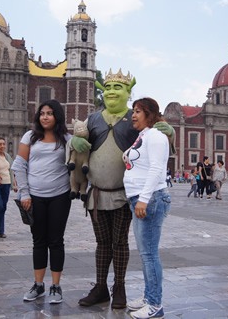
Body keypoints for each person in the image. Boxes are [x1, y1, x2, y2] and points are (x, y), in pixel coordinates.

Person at [73, 69, 176, 310]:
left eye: (117, 88)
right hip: (96, 195)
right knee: (102, 242)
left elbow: (160, 141)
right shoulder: (93, 118)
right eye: (107, 88)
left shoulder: (135, 119)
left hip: (124, 195)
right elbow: (78, 139)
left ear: (128, 92)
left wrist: (168, 132)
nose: (110, 92)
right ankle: (100, 286)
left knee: (120, 242)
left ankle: (119, 286)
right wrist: (73, 141)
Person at [12, 100, 72, 304]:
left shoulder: (67, 139)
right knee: (38, 241)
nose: (45, 117)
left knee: (56, 241)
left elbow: (77, 162)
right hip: (34, 197)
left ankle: (56, 286)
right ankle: (38, 285)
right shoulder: (30, 137)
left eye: (50, 113)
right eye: (42, 113)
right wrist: (24, 193)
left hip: (60, 196)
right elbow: (19, 165)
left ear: (58, 116)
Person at [123, 97, 170, 319]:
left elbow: (156, 169)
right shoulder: (143, 136)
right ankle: (148, 296)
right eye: (133, 110)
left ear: (149, 114)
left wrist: (143, 199)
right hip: (140, 198)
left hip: (150, 199)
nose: (133, 115)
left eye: (138, 111)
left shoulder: (157, 137)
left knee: (149, 254)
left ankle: (155, 305)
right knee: (145, 255)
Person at [0, 137, 18, 238]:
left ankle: (0, 231)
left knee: (3, 207)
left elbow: (12, 170)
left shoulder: (7, 156)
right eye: (0, 144)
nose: (2, 146)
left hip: (7, 184)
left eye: (3, 144)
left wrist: (14, 183)